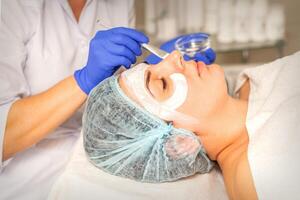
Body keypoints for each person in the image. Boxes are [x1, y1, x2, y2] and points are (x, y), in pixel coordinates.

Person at [0, 0, 216, 199]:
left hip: (110, 156)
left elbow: (123, 96)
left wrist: (147, 66)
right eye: (162, 84)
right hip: (29, 179)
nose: (177, 59)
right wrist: (84, 80)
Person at [80, 50, 300, 199]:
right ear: (178, 140)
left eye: (153, 65)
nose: (174, 56)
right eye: (163, 84)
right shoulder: (263, 171)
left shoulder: (248, 88)